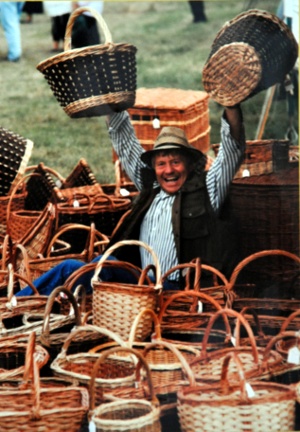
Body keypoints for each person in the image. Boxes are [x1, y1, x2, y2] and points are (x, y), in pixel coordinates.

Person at [16, 103, 245, 297]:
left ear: (188, 164)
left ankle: (14, 306)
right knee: (81, 267)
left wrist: (231, 105)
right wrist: (111, 104)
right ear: (154, 168)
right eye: (161, 164)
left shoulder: (207, 190)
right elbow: (126, 144)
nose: (169, 170)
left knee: (76, 269)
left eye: (176, 162)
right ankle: (19, 304)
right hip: (140, 279)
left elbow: (231, 153)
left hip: (175, 289)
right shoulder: (150, 189)